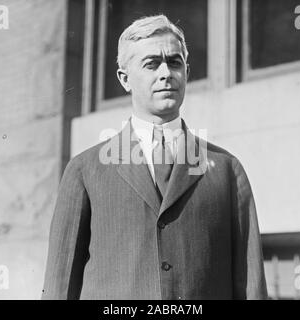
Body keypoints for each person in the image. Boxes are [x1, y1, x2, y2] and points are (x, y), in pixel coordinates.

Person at [42, 14, 267, 300]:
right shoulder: (85, 170)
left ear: (186, 71)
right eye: (151, 64)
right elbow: (59, 288)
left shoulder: (225, 170)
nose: (166, 73)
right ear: (125, 79)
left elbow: (251, 287)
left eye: (174, 62)